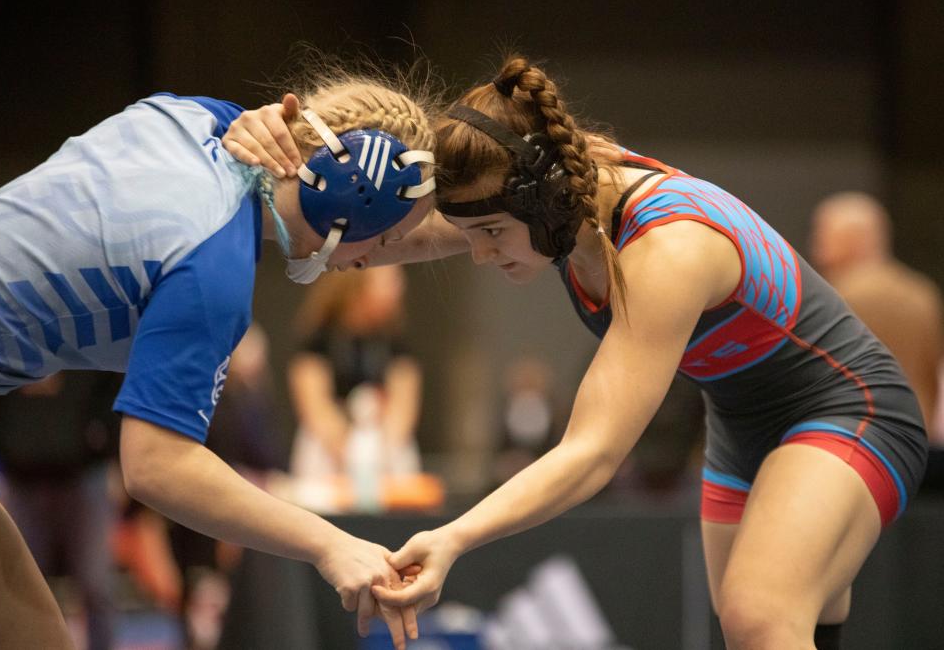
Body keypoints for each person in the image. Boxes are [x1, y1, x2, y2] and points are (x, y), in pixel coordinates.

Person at [227, 55, 928, 650]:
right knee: (768, 624)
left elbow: (591, 452)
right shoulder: (549, 191)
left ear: (544, 202)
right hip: (745, 423)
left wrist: (454, 537)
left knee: (759, 614)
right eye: (473, 234)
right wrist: (275, 160)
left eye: (492, 235)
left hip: (850, 406)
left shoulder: (668, 248)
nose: (477, 254)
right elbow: (389, 232)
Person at [0, 65, 439, 649]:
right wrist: (331, 543)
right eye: (381, 241)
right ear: (346, 204)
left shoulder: (196, 116)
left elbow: (367, 199)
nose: (378, 260)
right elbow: (156, 467)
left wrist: (492, 230)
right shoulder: (212, 271)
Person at [0, 371, 122, 650]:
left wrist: (108, 450)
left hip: (83, 474)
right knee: (19, 586)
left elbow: (114, 389)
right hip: (20, 477)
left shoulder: (87, 336)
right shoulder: (7, 335)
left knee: (96, 585)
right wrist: (5, 446)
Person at [809, 191, 943, 434]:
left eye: (824, 233)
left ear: (855, 239)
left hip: (849, 434)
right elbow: (931, 374)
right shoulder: (921, 294)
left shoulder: (833, 299)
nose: (816, 244)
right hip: (914, 433)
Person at [288, 265, 423, 488]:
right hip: (327, 451)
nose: (399, 289)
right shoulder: (318, 340)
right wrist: (349, 454)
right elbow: (314, 405)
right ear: (357, 285)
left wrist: (380, 455)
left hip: (385, 449)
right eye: (389, 282)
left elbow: (404, 404)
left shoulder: (396, 341)